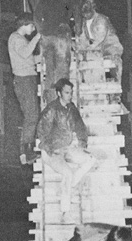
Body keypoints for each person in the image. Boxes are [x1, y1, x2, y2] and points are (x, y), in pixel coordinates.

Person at [36, 78, 97, 221]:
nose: (70, 95)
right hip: (51, 152)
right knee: (68, 174)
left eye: (71, 92)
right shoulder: (51, 110)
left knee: (91, 159)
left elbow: (80, 126)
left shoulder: (71, 108)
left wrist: (82, 141)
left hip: (66, 148)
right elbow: (41, 133)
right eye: (67, 93)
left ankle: (68, 186)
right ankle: (65, 212)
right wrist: (51, 149)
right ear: (59, 93)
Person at [8, 13, 42, 165]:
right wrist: (38, 37)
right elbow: (24, 53)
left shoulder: (21, 40)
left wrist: (41, 57)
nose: (33, 29)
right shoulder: (16, 38)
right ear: (24, 24)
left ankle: (26, 150)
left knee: (32, 114)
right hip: (24, 80)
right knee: (32, 115)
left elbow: (28, 59)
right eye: (31, 26)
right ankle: (26, 150)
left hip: (27, 79)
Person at [77, 0, 123, 83]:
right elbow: (83, 37)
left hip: (110, 48)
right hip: (99, 50)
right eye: (84, 13)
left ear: (92, 10)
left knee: (111, 72)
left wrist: (88, 49)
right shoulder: (85, 22)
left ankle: (114, 84)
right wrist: (79, 47)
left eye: (87, 13)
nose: (85, 15)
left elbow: (99, 38)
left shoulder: (101, 20)